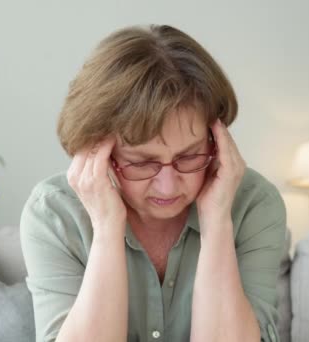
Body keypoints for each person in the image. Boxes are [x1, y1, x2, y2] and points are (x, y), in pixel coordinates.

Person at [20, 24, 287, 342]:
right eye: (140, 162)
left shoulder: (254, 204)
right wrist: (107, 228)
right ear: (97, 151)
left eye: (189, 156)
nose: (168, 186)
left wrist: (217, 221)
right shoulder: (53, 212)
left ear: (217, 140)